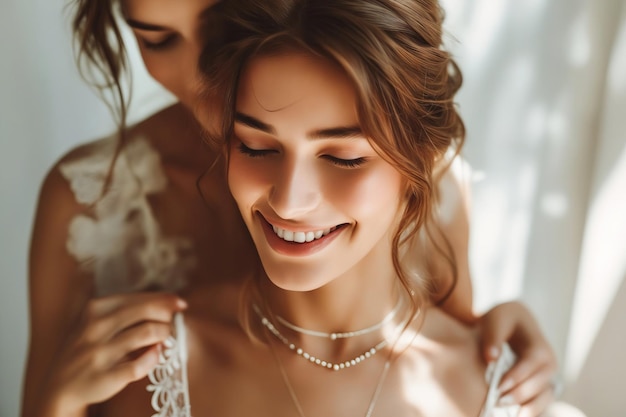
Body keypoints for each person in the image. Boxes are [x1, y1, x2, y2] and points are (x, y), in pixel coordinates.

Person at [21, 0, 558, 416]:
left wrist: (504, 335)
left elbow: (452, 337)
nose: (197, 79)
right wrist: (59, 403)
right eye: (157, 38)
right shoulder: (88, 201)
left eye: (223, 33)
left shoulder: (429, 177)